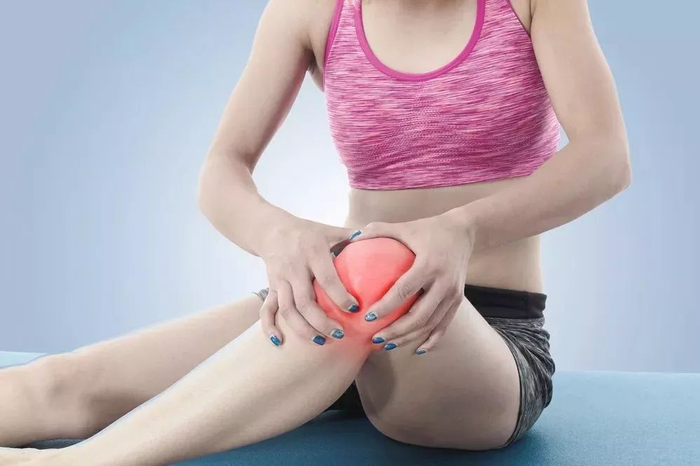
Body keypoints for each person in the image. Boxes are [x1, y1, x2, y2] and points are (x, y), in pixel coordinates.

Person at [0, 0, 630, 464]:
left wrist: (460, 230)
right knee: (55, 387)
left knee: (380, 261)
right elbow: (222, 168)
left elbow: (605, 157)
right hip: (337, 312)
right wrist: (278, 234)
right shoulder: (312, 9)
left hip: (481, 346)